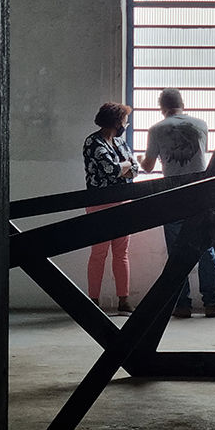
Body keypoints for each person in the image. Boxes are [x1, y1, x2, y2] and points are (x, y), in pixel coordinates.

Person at [137, 88, 215, 319]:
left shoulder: (156, 129)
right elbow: (200, 157)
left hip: (173, 195)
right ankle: (211, 303)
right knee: (206, 248)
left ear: (161, 107)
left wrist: (139, 159)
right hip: (201, 193)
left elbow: (148, 167)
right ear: (182, 103)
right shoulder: (200, 125)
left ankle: (182, 304)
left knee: (177, 251)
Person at [83, 102, 139, 315]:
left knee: (121, 253)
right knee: (98, 253)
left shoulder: (119, 142)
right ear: (116, 122)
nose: (126, 124)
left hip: (123, 202)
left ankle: (123, 300)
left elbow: (135, 169)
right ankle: (93, 300)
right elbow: (112, 169)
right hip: (100, 203)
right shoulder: (92, 142)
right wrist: (126, 166)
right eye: (125, 120)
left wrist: (125, 167)